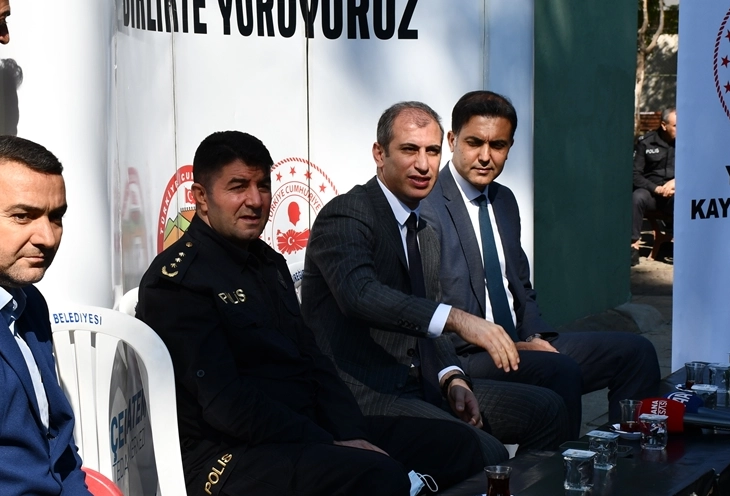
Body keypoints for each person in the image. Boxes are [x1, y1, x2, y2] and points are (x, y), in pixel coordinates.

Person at [136, 130, 484, 496]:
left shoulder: (266, 262)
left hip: (301, 432)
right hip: (230, 458)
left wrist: (351, 433)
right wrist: (328, 442)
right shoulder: (179, 282)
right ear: (201, 197)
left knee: (456, 445)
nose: (254, 200)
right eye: (238, 187)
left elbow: (314, 361)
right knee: (379, 476)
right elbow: (227, 405)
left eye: (263, 186)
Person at [301, 101, 570, 465]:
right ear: (379, 153)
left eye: (432, 151)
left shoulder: (423, 229)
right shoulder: (348, 213)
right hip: (365, 397)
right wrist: (459, 319)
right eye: (409, 150)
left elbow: (431, 321)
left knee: (548, 409)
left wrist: (452, 378)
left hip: (424, 385)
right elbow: (359, 295)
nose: (424, 165)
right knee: (484, 450)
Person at [421, 90, 661, 438]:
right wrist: (512, 345)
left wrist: (533, 336)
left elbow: (522, 287)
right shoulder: (427, 205)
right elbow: (428, 309)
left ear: (509, 146)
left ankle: (626, 458)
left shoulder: (504, 200)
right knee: (558, 370)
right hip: (467, 354)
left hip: (522, 342)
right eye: (474, 143)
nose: (486, 156)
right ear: (452, 140)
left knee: (637, 353)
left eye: (498, 145)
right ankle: (561, 467)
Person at [0, 136, 91, 494]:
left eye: (56, 217)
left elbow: (59, 449)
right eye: (23, 216)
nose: (48, 237)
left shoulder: (29, 302)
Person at [631, 108, 676, 265]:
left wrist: (676, 182)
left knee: (685, 201)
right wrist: (656, 189)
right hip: (652, 193)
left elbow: (696, 170)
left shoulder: (687, 142)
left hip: (675, 194)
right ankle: (633, 246)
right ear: (664, 125)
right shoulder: (646, 142)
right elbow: (635, 174)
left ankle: (682, 244)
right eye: (675, 126)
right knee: (637, 197)